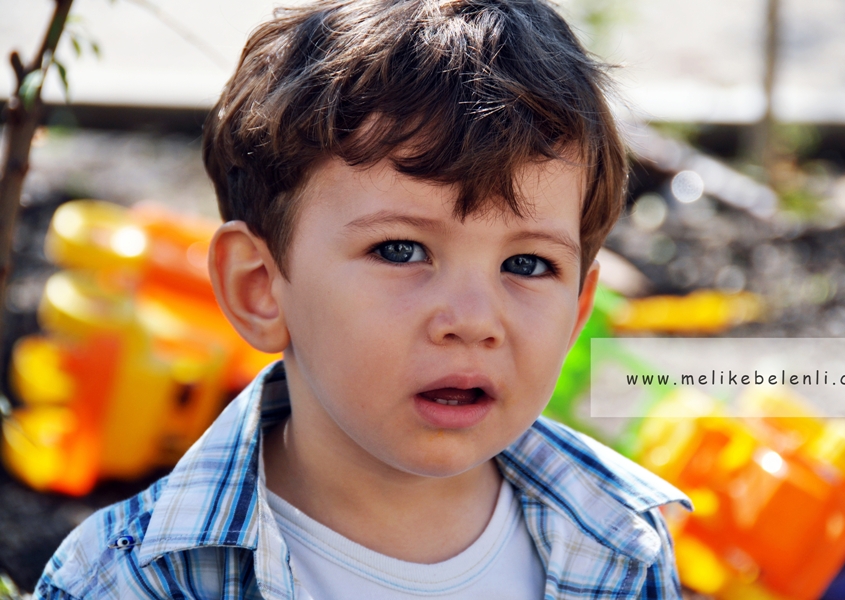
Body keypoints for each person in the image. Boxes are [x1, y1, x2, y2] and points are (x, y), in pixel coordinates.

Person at [36, 0, 690, 597]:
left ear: (576, 311)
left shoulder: (618, 549)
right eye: (401, 251)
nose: (470, 320)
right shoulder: (134, 582)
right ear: (259, 287)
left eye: (526, 263)